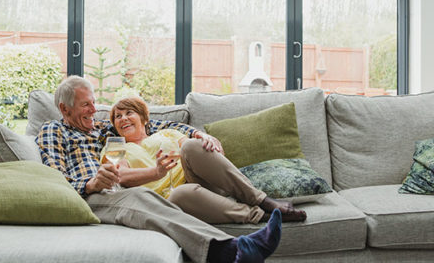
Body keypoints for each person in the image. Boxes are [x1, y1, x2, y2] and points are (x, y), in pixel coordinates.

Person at [37, 75, 284, 263]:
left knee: (149, 188)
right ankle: (230, 249)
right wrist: (91, 184)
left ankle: (246, 231)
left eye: (93, 103)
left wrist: (196, 133)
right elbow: (55, 178)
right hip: (88, 197)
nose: (93, 110)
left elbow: (151, 124)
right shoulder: (53, 130)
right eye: (85, 106)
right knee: (142, 196)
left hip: (115, 191)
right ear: (64, 109)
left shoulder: (103, 129)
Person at [110, 97, 307, 224]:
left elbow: (195, 153)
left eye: (129, 113)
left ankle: (263, 200)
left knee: (192, 145)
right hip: (173, 200)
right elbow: (120, 176)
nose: (123, 119)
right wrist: (156, 172)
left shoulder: (167, 133)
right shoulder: (115, 146)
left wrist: (206, 140)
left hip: (203, 181)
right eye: (117, 117)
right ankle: (259, 216)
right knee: (181, 193)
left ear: (144, 119)